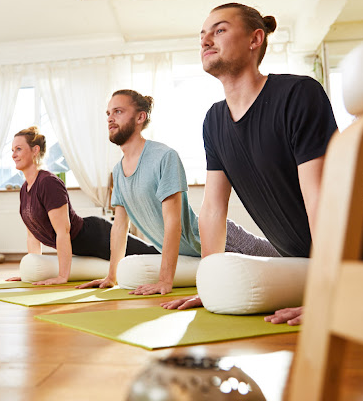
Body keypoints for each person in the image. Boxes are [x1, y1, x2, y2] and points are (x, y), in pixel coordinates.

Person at [161, 3, 363, 324]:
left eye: (220, 30)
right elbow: (213, 209)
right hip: (310, 258)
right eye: (203, 34)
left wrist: (329, 292)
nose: (206, 40)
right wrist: (209, 284)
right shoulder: (214, 120)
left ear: (255, 39)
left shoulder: (298, 93)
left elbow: (319, 197)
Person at [77, 89, 280, 295]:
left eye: (118, 111)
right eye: (108, 113)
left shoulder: (164, 157)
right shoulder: (118, 172)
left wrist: (165, 281)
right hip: (191, 255)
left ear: (140, 117)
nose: (110, 118)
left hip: (224, 240)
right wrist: (112, 277)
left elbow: (172, 222)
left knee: (288, 263)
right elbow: (120, 226)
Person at [5, 126, 160, 285]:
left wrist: (62, 277)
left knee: (149, 254)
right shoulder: (25, 189)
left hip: (97, 236)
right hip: (84, 245)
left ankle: (182, 252)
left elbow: (63, 232)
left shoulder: (48, 183)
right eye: (12, 150)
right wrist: (31, 273)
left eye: (18, 149)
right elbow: (32, 235)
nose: (13, 155)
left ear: (35, 150)